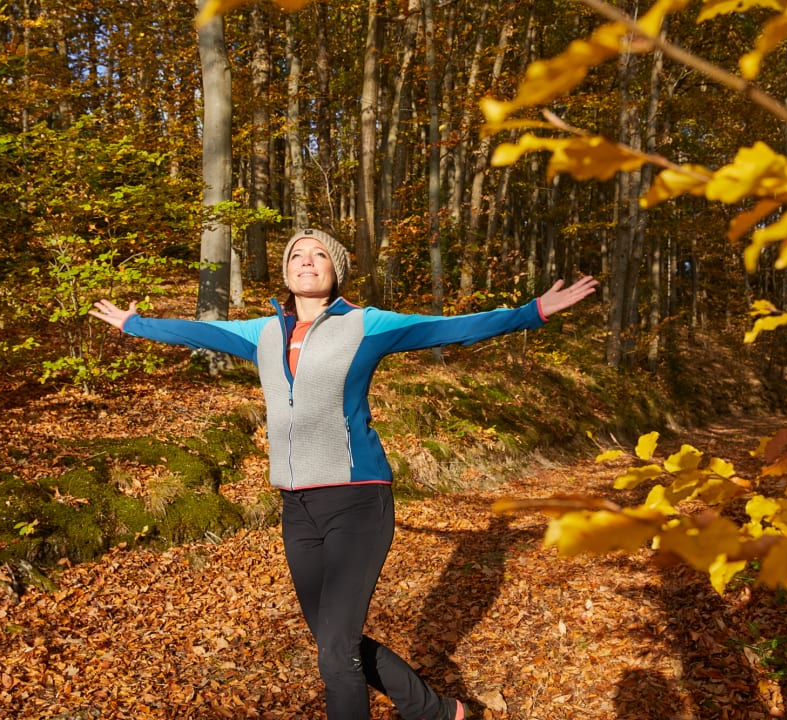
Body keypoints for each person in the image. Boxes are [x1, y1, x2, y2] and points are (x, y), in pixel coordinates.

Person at [90, 228, 598, 720]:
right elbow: (198, 331)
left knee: (334, 653)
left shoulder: (366, 324)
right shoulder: (261, 333)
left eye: (318, 255)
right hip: (296, 506)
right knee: (336, 639)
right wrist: (136, 325)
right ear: (286, 272)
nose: (306, 260)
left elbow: (450, 327)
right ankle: (437, 711)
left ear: (337, 270)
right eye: (296, 255)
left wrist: (530, 313)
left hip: (357, 498)